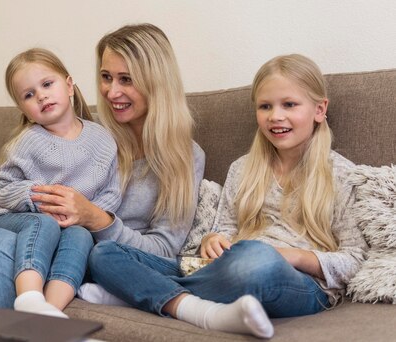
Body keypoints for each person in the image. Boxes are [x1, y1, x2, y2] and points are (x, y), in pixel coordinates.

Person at [87, 54, 368, 338]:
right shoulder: (242, 168)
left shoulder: (344, 174)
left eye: (290, 105)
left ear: (319, 110)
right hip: (225, 267)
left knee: (257, 259)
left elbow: (357, 259)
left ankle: (139, 292)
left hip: (299, 283)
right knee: (103, 253)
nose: (275, 116)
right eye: (265, 106)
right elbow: (224, 231)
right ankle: (181, 301)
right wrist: (212, 240)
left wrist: (292, 256)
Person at [0, 23, 205, 317]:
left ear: (157, 83)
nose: (112, 92)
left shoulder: (185, 156)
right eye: (106, 77)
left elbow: (163, 253)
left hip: (82, 255)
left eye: (126, 79)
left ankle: (27, 322)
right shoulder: (90, 132)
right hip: (38, 240)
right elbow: (13, 188)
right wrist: (36, 201)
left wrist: (94, 217)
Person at [0, 47, 121, 318]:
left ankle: (48, 312)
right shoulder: (29, 141)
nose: (41, 95)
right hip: (16, 219)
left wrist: (85, 212)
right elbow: (4, 188)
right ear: (25, 111)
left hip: (72, 225)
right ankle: (29, 296)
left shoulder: (102, 139)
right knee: (45, 221)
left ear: (69, 86)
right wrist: (40, 199)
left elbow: (111, 191)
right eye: (29, 95)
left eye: (47, 84)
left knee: (80, 235)